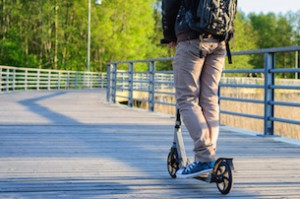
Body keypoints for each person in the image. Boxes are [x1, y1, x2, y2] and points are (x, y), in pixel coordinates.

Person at [162, 0, 227, 178]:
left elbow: (170, 4)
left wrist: (170, 35)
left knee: (187, 98)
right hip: (220, 38)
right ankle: (208, 155)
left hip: (192, 37)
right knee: (210, 98)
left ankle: (205, 157)